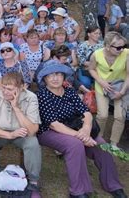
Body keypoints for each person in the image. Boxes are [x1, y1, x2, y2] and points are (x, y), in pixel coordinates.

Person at [36, 60, 127, 198]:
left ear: (63, 77)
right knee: (75, 145)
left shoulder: (69, 91)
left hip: (76, 127)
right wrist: (82, 137)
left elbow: (86, 112)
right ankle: (79, 191)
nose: (55, 78)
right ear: (45, 78)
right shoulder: (42, 95)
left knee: (102, 145)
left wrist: (86, 128)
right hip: (50, 131)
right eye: (50, 75)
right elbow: (54, 124)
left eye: (58, 74)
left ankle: (113, 185)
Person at [0, 72, 41, 196]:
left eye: (10, 89)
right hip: (1, 133)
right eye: (3, 87)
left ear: (21, 88)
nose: (5, 91)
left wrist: (16, 107)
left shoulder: (30, 97)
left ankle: (33, 182)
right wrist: (9, 135)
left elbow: (32, 130)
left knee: (33, 142)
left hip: (22, 133)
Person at [89, 32, 129, 148]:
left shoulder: (126, 54)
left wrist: (122, 92)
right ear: (107, 46)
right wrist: (101, 82)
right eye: (118, 47)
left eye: (123, 46)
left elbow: (128, 74)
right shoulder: (96, 55)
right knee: (102, 115)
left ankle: (114, 143)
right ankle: (98, 138)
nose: (121, 49)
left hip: (120, 88)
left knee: (120, 116)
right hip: (102, 86)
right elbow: (91, 69)